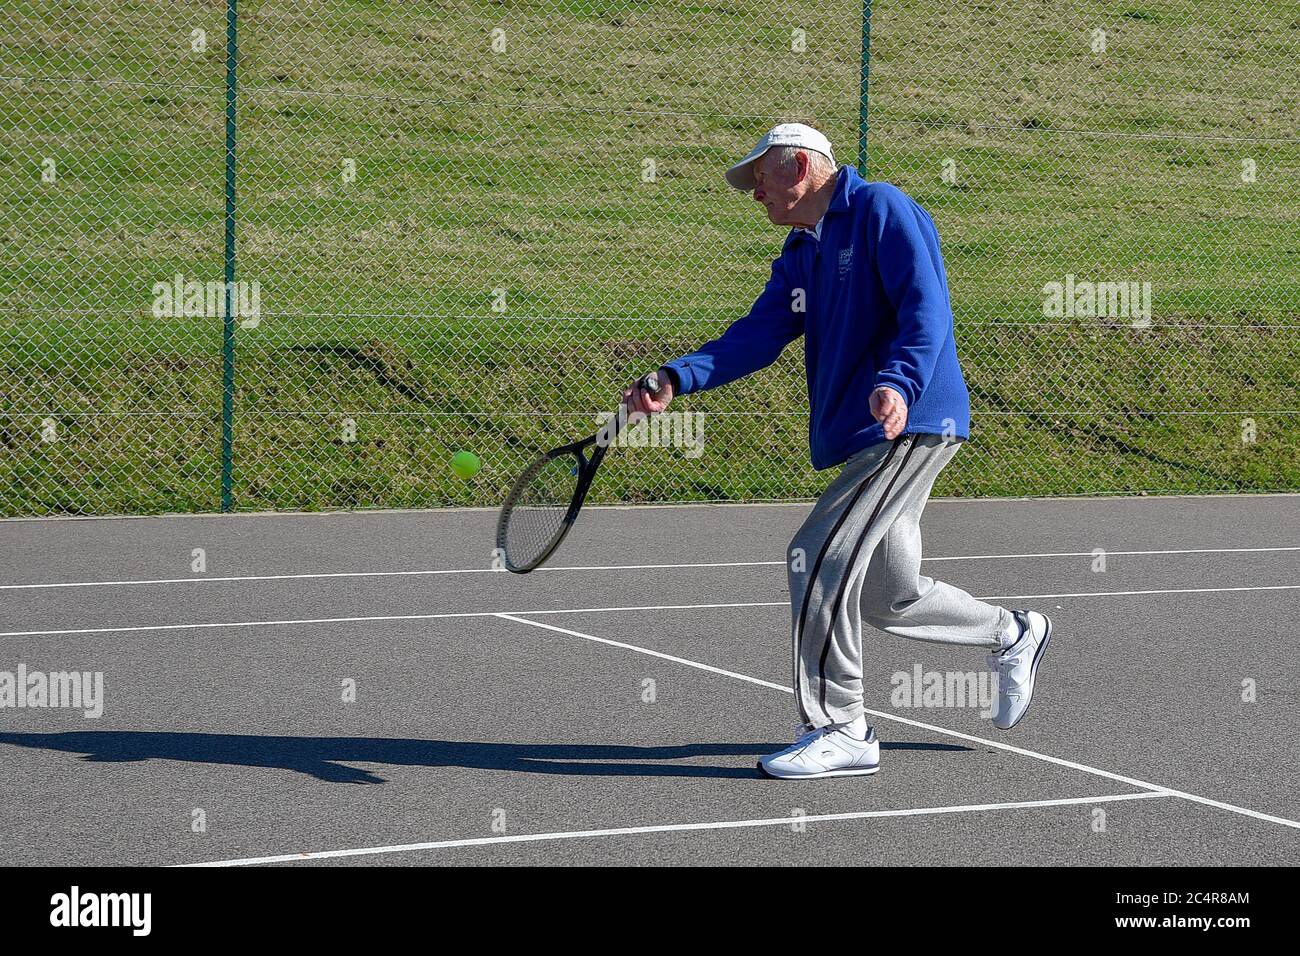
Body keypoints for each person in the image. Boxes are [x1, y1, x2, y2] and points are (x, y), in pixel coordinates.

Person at [623, 123, 1052, 780]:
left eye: (759, 178)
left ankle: (840, 725)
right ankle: (1012, 633)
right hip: (866, 436)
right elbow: (757, 335)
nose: (754, 193)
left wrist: (898, 382)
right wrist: (677, 376)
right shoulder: (802, 254)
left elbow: (925, 307)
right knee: (888, 594)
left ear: (798, 167)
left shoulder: (880, 209)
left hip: (910, 425)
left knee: (816, 553)